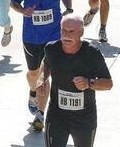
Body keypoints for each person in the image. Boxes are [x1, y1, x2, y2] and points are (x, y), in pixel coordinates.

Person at [11, 0, 72, 131]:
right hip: (31, 36)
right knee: (33, 74)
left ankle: (40, 113)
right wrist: (24, 11)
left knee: (44, 76)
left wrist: (68, 7)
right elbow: (14, 2)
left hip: (53, 36)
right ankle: (32, 92)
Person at [36, 15, 113, 146]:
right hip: (57, 116)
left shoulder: (92, 53)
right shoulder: (51, 49)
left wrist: (89, 83)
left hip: (84, 119)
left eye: (71, 31)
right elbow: (47, 63)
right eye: (64, 31)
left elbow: (108, 83)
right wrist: (42, 78)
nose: (67, 35)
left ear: (81, 33)